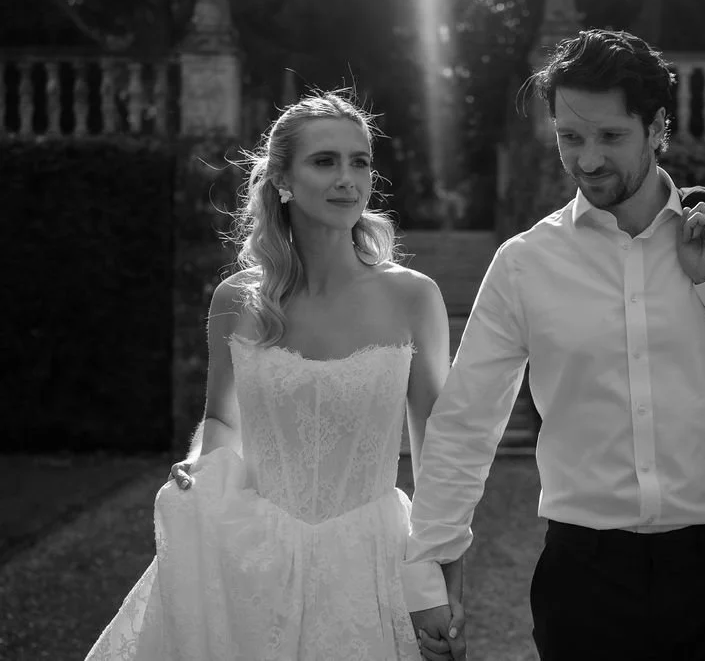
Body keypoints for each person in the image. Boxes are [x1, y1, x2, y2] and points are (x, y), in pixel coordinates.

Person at [404, 29, 705, 661]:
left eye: (610, 136)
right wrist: (432, 570)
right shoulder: (524, 263)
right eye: (570, 138)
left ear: (657, 126)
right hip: (585, 582)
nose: (587, 160)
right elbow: (465, 423)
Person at [85, 90, 464, 661]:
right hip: (252, 556)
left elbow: (439, 456)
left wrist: (440, 587)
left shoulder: (413, 297)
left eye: (360, 162)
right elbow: (221, 418)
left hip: (373, 561)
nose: (348, 179)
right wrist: (201, 465)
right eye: (325, 161)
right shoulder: (236, 299)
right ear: (282, 180)